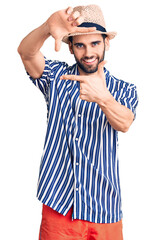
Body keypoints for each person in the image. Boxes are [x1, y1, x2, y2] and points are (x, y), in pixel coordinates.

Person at [18, 4, 138, 240]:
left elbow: (124, 122)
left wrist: (103, 98)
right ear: (71, 48)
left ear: (106, 43)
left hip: (104, 206)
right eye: (80, 45)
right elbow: (26, 53)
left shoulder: (124, 89)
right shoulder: (56, 78)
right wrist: (45, 27)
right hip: (59, 204)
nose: (88, 52)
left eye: (95, 43)